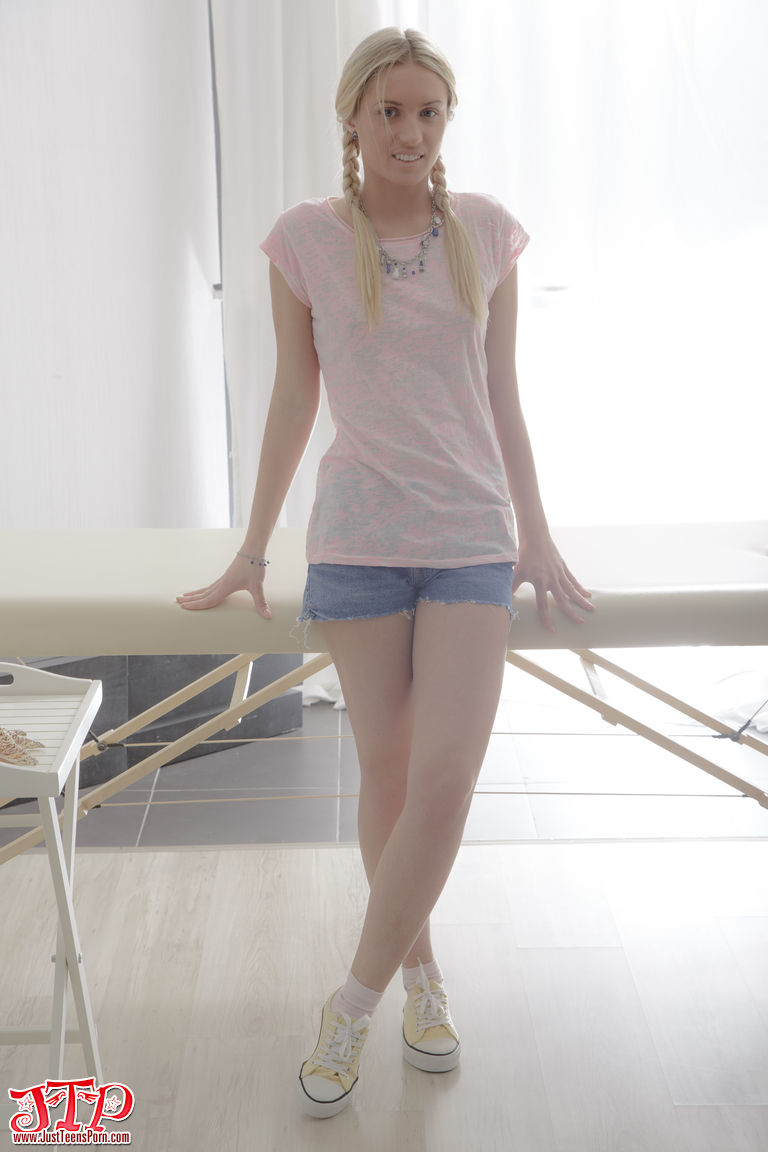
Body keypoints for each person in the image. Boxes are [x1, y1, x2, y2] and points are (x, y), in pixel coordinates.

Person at [178, 26, 593, 1119]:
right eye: (391, 112)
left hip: (469, 536)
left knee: (447, 780)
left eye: (429, 113)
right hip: (358, 538)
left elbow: (502, 394)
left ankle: (351, 1004)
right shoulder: (305, 240)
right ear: (353, 119)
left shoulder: (487, 232)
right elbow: (292, 398)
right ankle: (421, 977)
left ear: (446, 122)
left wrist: (538, 533)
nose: (411, 132)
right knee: (392, 776)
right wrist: (251, 550)